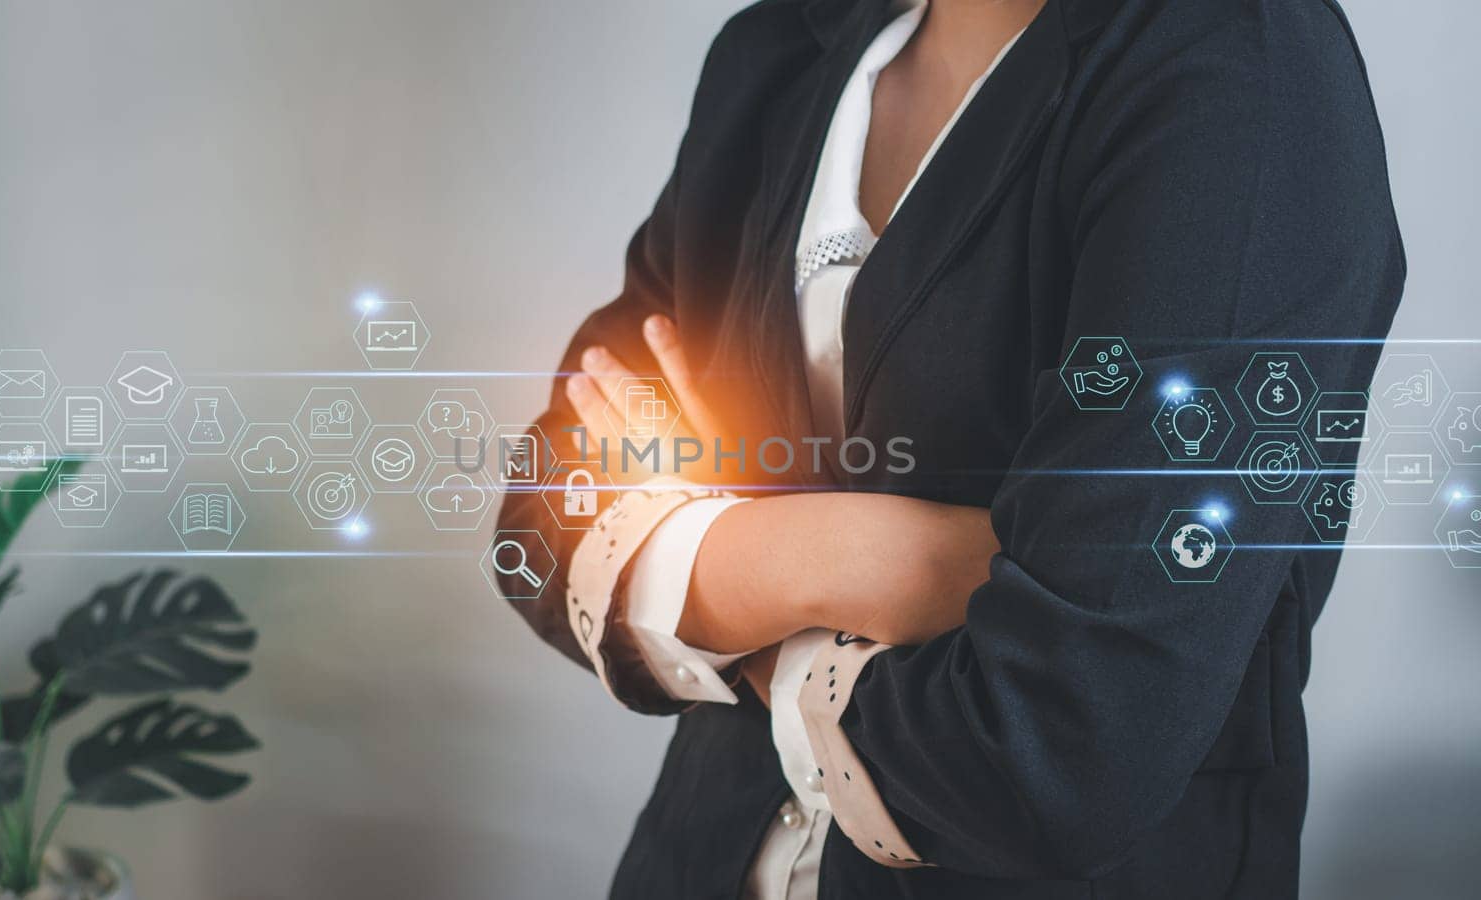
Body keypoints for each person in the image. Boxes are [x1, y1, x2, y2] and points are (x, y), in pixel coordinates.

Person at [495, 0, 1404, 897]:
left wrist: (716, 583)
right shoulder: (777, 48)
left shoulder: (1244, 75)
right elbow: (540, 524)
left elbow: (1063, 744)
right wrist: (860, 558)